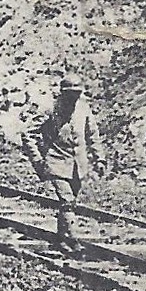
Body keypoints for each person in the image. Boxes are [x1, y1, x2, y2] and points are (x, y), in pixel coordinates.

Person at [24, 74, 104, 253]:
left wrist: (100, 158)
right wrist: (37, 159)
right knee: (66, 201)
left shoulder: (83, 108)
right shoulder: (50, 108)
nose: (74, 97)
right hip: (56, 161)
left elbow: (93, 134)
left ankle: (61, 239)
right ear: (62, 93)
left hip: (78, 164)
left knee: (70, 203)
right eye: (70, 94)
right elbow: (28, 133)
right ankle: (74, 240)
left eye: (77, 93)